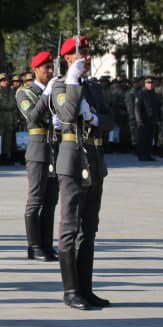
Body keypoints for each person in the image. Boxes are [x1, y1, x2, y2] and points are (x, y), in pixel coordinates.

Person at [53, 35, 113, 310]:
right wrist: (73, 82)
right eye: (81, 53)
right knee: (70, 226)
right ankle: (71, 290)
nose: (87, 57)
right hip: (73, 160)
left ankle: (86, 288)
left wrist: (96, 119)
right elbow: (66, 115)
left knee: (89, 228)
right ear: (67, 58)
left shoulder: (95, 87)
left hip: (95, 161)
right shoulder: (59, 85)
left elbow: (112, 117)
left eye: (88, 52)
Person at [17, 51, 60, 261]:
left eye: (52, 67)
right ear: (36, 70)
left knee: (51, 201)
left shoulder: (57, 91)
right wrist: (46, 95)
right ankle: (34, 246)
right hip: (38, 150)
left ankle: (47, 244)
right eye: (46, 68)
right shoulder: (25, 92)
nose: (50, 71)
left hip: (56, 149)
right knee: (36, 199)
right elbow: (33, 117)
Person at [134, 75, 161, 161]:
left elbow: (157, 107)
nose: (150, 84)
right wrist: (139, 120)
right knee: (142, 138)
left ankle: (148, 154)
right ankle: (141, 155)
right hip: (143, 120)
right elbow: (137, 108)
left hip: (152, 119)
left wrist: (159, 118)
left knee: (150, 138)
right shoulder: (141, 93)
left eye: (151, 83)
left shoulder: (154, 94)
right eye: (148, 83)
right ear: (145, 84)